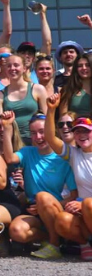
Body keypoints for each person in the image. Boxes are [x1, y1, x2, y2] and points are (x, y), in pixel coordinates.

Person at [1, 111, 77, 259]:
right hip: (34, 210)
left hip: (56, 210)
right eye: (33, 133)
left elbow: (74, 195)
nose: (38, 137)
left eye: (42, 132)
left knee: (42, 197)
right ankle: (48, 239)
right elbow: (9, 158)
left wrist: (45, 206)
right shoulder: (28, 152)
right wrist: (7, 128)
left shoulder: (63, 158)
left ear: (51, 132)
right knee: (16, 231)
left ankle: (54, 245)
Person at [42, 95, 92, 261]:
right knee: (62, 220)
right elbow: (50, 138)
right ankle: (85, 245)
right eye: (77, 131)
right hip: (84, 212)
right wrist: (51, 110)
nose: (81, 134)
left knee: (88, 203)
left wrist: (82, 203)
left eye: (86, 131)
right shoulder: (74, 155)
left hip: (87, 206)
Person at [0, 54, 47, 145]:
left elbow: (47, 117)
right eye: (9, 66)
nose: (12, 68)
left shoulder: (38, 89)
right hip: (13, 141)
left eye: (16, 65)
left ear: (24, 68)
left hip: (36, 140)